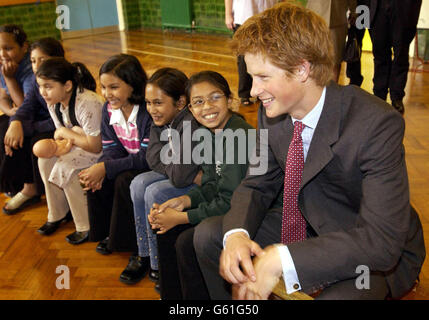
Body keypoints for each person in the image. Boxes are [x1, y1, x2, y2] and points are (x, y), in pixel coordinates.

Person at [193, 3, 425, 300]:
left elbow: (381, 242)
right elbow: (257, 183)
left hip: (366, 247)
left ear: (302, 69)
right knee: (210, 236)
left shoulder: (376, 124)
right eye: (252, 77)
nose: (252, 91)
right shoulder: (272, 112)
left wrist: (281, 259)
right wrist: (237, 234)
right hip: (307, 220)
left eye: (263, 77)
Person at [149, 71, 255, 300]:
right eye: (198, 102)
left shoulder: (238, 135)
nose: (207, 106)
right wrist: (184, 201)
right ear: (190, 110)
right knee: (167, 230)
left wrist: (182, 217)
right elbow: (210, 185)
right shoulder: (210, 135)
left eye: (215, 97)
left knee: (187, 240)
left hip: (253, 215)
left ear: (230, 100)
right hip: (228, 207)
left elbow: (230, 202)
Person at [122, 68, 201, 286]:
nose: (151, 109)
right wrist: (178, 167)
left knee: (154, 191)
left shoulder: (190, 125)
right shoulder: (161, 121)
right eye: (148, 102)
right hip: (188, 177)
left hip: (204, 185)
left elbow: (180, 177)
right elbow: (153, 158)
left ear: (180, 102)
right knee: (138, 183)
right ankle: (144, 252)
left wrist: (181, 170)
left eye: (158, 102)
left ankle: (159, 262)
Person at [78, 54, 152, 260]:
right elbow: (111, 149)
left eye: (114, 87)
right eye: (103, 87)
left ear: (133, 84)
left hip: (152, 165)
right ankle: (110, 233)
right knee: (95, 174)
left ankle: (136, 247)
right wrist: (102, 167)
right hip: (132, 161)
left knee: (122, 180)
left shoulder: (148, 111)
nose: (106, 93)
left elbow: (147, 158)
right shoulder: (109, 110)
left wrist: (106, 168)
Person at [35, 57, 104, 245]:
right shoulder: (54, 103)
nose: (43, 92)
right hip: (80, 144)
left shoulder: (87, 102)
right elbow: (64, 138)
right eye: (40, 86)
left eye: (48, 86)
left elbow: (96, 145)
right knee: (45, 160)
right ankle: (58, 213)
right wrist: (64, 141)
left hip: (103, 150)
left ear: (67, 86)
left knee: (67, 165)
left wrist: (67, 134)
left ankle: (86, 225)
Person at [2, 38, 64, 215]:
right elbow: (26, 105)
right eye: (33, 61)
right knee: (9, 129)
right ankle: (20, 183)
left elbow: (60, 120)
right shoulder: (38, 82)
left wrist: (27, 127)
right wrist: (15, 122)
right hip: (47, 123)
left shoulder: (65, 81)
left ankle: (32, 188)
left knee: (31, 138)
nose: (36, 66)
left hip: (68, 130)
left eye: (42, 60)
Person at [367, 0, 422, 114]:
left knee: (401, 54)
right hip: (377, 6)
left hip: (403, 7)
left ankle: (397, 97)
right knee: (379, 53)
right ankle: (379, 94)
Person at [0, 24, 33, 206]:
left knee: (13, 133)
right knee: (2, 124)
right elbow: (2, 97)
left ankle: (29, 186)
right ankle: (13, 182)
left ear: (24, 47)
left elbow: (25, 107)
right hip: (21, 113)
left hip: (39, 117)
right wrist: (10, 112)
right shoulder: (4, 65)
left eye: (8, 48)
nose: (2, 54)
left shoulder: (30, 68)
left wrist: (10, 79)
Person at [224, 0, 278, 106]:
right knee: (244, 57)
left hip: (268, 16)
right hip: (245, 16)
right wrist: (228, 14)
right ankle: (245, 93)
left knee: (266, 56)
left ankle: (263, 90)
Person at [306, 0, 357, 82]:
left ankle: (332, 92)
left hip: (337, 19)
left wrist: (354, 12)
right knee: (313, 59)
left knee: (335, 60)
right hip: (315, 17)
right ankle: (314, 90)